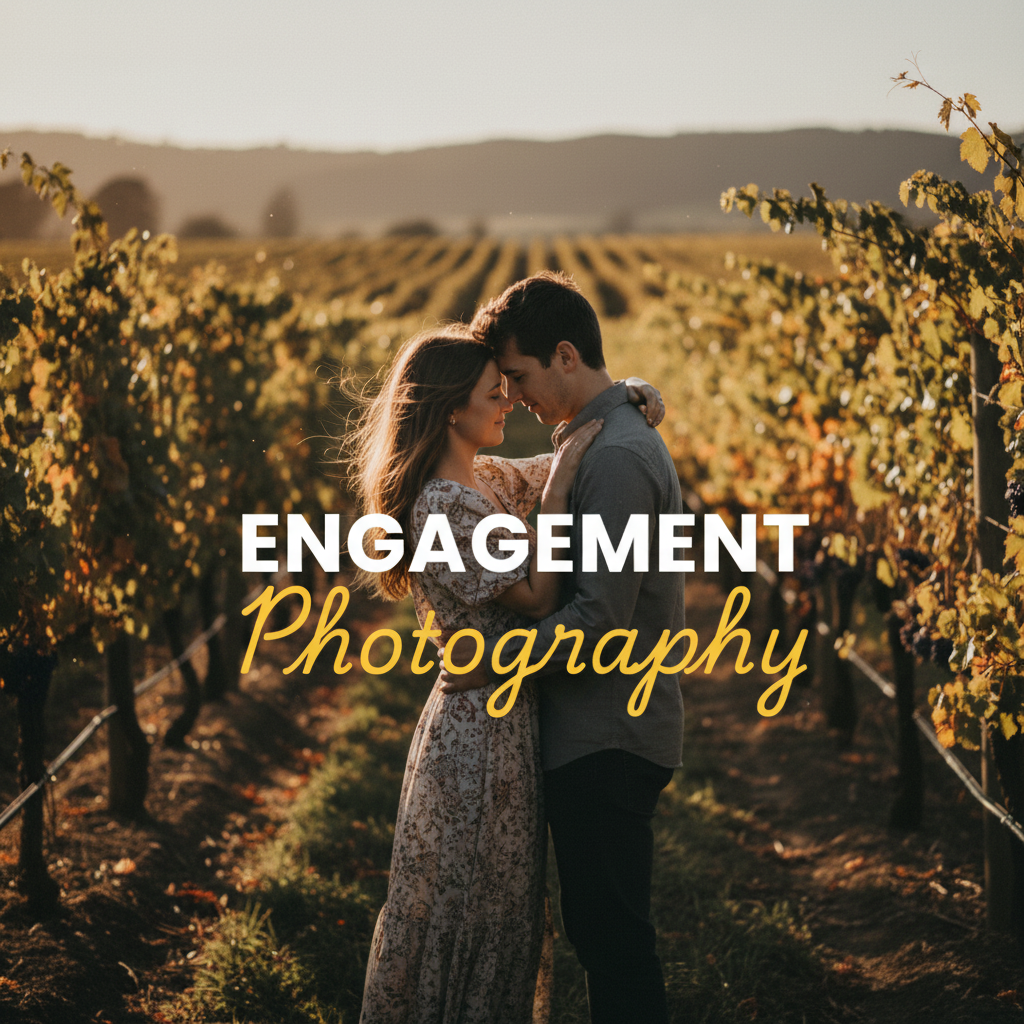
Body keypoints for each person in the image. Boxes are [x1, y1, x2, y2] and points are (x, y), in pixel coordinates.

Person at [350, 324, 664, 1024]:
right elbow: (536, 597)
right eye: (494, 394)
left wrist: (624, 395)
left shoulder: (483, 479)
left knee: (502, 902)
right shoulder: (442, 504)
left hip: (505, 717)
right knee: (471, 905)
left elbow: (566, 459)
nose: (508, 403)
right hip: (476, 734)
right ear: (448, 409)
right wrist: (554, 504)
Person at [443, 271, 685, 1024]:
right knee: (602, 934)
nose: (512, 396)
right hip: (598, 730)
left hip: (608, 733)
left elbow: (599, 620)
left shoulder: (615, 458)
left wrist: (495, 664)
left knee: (613, 944)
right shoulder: (598, 440)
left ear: (567, 356)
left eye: (517, 376)